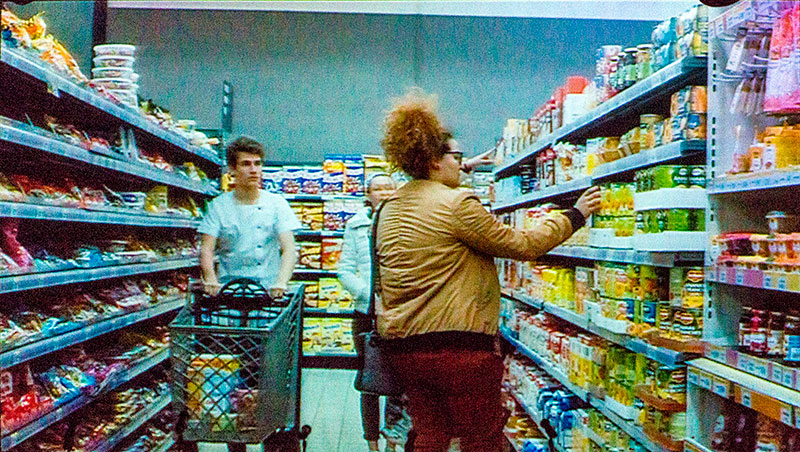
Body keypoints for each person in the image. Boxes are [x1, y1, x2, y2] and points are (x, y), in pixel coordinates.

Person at [373, 89, 602, 452]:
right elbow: (522, 244)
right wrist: (574, 215)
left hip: (404, 348)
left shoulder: (388, 209)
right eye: (457, 157)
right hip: (458, 349)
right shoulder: (456, 204)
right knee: (481, 437)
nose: (462, 165)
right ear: (434, 161)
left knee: (430, 433)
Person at [195, 136, 301, 452]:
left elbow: (289, 248)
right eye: (246, 164)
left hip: (269, 301)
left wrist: (281, 281)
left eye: (258, 164)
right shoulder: (219, 206)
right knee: (230, 369)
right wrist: (211, 280)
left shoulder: (277, 204)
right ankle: (236, 438)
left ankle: (271, 434)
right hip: (228, 301)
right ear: (232, 170)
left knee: (269, 370)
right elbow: (207, 249)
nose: (254, 170)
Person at [339, 173, 412, 452]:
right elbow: (344, 269)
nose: (383, 192)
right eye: (377, 188)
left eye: (389, 187)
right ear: (367, 195)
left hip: (398, 311)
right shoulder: (356, 225)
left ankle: (393, 440)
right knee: (368, 380)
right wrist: (366, 294)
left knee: (398, 380)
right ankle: (372, 444)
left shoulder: (406, 222)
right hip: (366, 314)